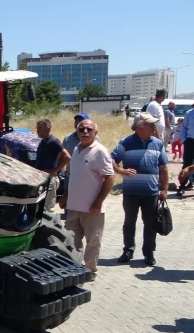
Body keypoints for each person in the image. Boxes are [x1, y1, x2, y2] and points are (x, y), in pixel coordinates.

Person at [111, 113, 168, 266]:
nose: (154, 127)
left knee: (150, 224)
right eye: (151, 124)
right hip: (131, 193)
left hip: (151, 193)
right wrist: (121, 171)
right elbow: (111, 161)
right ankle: (128, 250)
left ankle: (148, 253)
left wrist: (164, 189)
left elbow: (163, 168)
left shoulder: (158, 143)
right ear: (140, 126)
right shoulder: (126, 142)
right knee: (129, 222)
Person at [58, 120, 114, 274]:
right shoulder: (76, 149)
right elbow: (73, 176)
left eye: (89, 129)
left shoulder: (100, 151)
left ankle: (90, 270)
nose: (85, 132)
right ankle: (73, 268)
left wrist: (98, 202)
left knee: (92, 241)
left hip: (92, 209)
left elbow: (110, 177)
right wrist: (65, 195)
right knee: (71, 239)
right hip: (73, 206)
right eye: (81, 129)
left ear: (96, 133)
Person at [35, 119, 71, 212]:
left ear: (48, 128)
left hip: (50, 179)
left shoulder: (53, 141)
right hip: (42, 178)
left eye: (40, 128)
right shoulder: (43, 141)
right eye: (37, 128)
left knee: (48, 209)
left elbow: (66, 156)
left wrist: (55, 170)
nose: (37, 131)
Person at [178, 104, 194, 194]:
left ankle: (191, 183)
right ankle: (182, 186)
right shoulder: (189, 113)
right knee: (187, 164)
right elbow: (183, 128)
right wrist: (184, 140)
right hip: (190, 141)